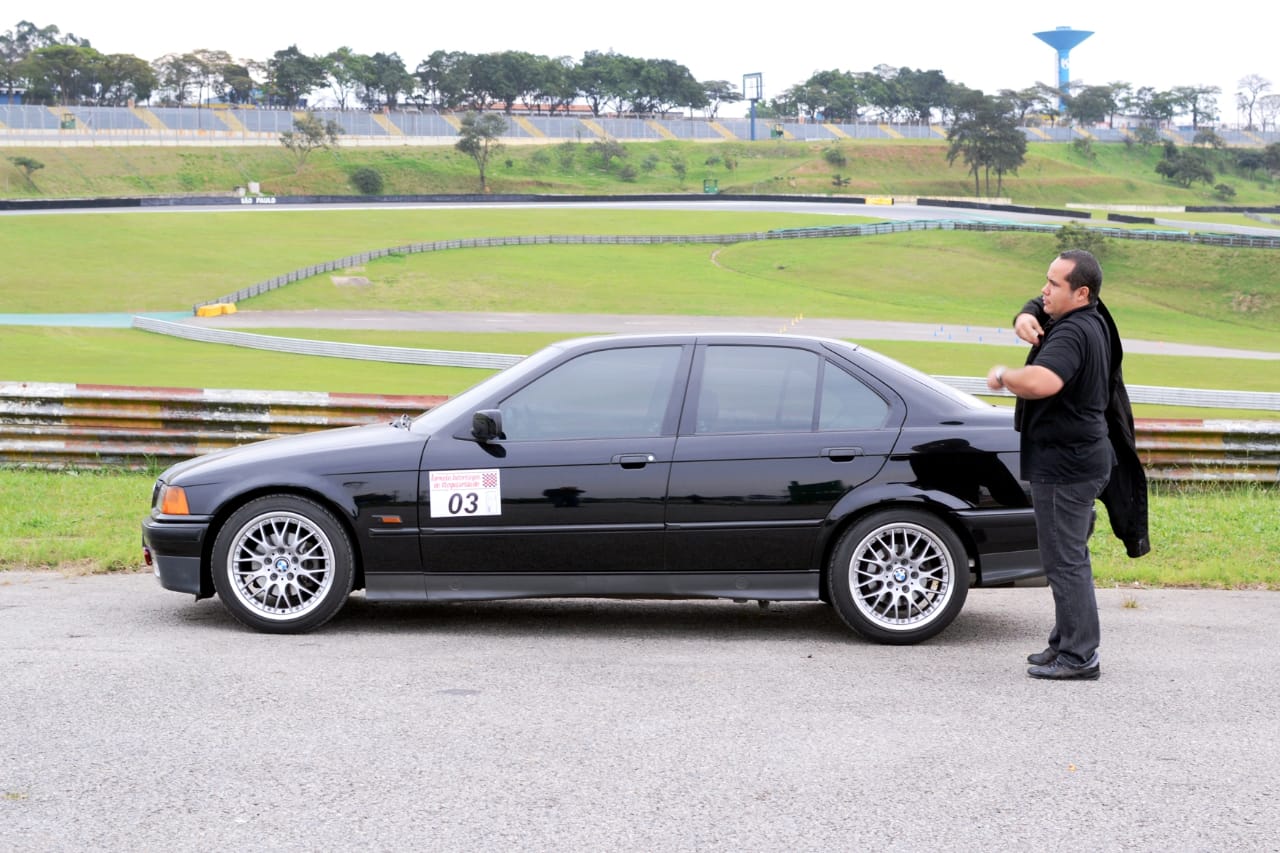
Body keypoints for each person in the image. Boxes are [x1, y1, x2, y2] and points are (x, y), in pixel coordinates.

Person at [987, 248, 1148, 681]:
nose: (1044, 290)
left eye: (1053, 284)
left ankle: (1079, 656)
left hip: (1066, 466)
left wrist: (1003, 376)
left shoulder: (1073, 333)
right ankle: (1065, 641)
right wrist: (1025, 315)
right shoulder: (1090, 316)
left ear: (1081, 293)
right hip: (1082, 458)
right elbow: (1039, 305)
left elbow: (1043, 381)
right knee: (1067, 555)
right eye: (1046, 279)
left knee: (1065, 561)